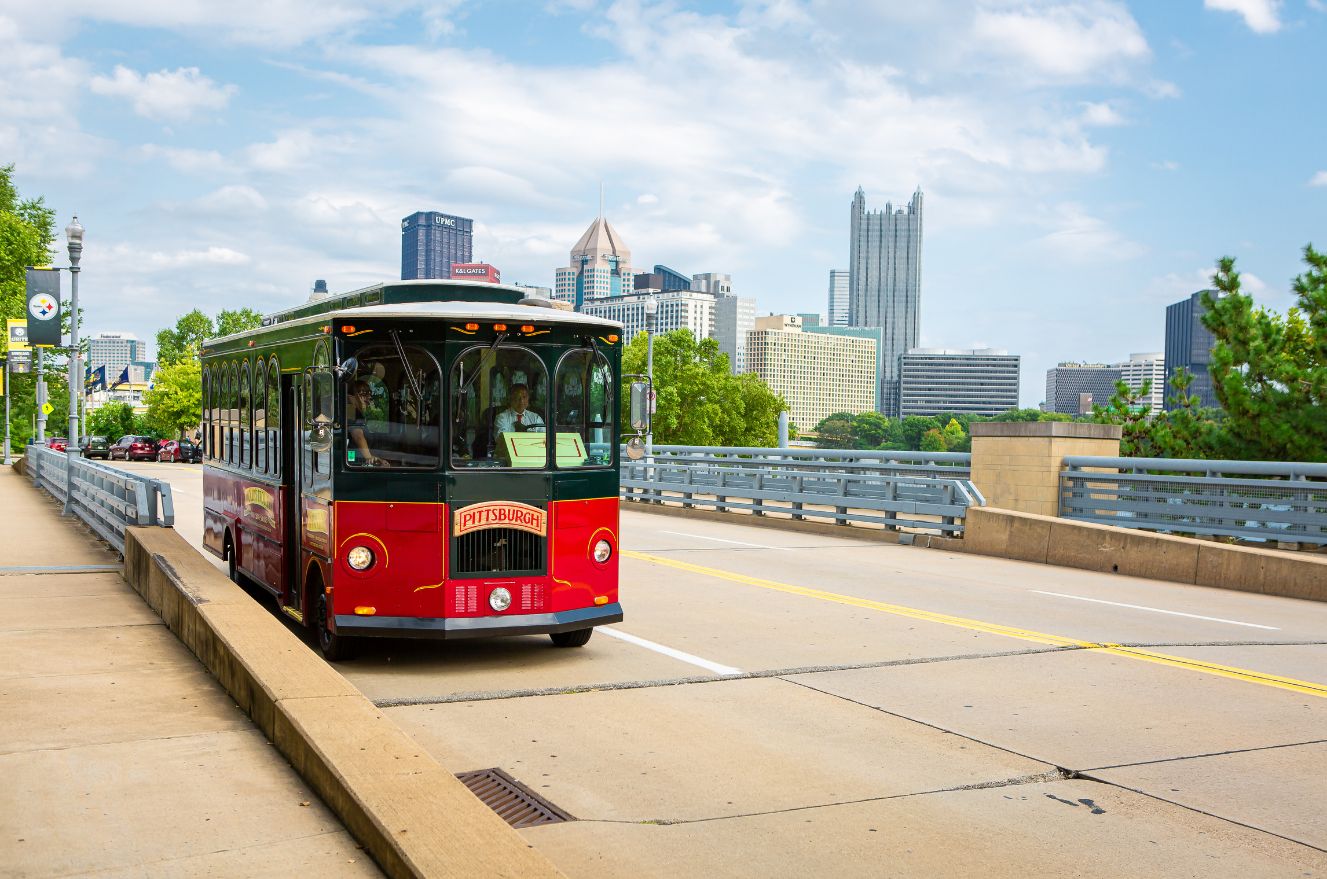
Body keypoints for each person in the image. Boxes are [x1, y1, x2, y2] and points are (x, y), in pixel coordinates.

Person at [346, 380, 388, 467]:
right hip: (354, 463)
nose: (368, 397)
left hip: (356, 461)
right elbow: (358, 436)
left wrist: (377, 459)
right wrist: (370, 458)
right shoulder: (353, 412)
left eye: (369, 394)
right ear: (352, 396)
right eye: (363, 394)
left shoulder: (356, 412)